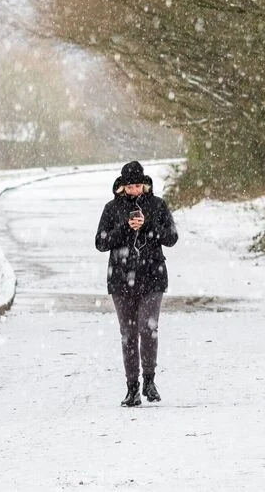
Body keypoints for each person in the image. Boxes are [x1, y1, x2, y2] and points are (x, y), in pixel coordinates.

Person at [94, 161, 178, 407]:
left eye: (139, 186)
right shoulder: (111, 209)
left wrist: (148, 225)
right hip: (121, 280)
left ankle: (149, 380)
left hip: (152, 277)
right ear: (122, 187)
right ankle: (132, 387)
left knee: (148, 328)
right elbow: (100, 242)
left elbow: (172, 237)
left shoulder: (158, 205)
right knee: (128, 334)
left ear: (145, 184)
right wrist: (124, 228)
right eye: (130, 187)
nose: (135, 190)